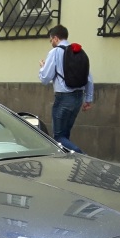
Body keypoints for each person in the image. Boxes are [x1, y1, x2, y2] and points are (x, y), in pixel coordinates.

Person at [37, 25, 94, 153]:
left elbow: (45, 78)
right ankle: (68, 162)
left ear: (56, 38)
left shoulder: (55, 52)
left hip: (63, 98)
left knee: (58, 137)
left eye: (51, 40)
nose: (51, 43)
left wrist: (42, 67)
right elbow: (89, 78)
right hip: (78, 97)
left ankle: (84, 158)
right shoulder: (78, 51)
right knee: (65, 134)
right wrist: (88, 99)